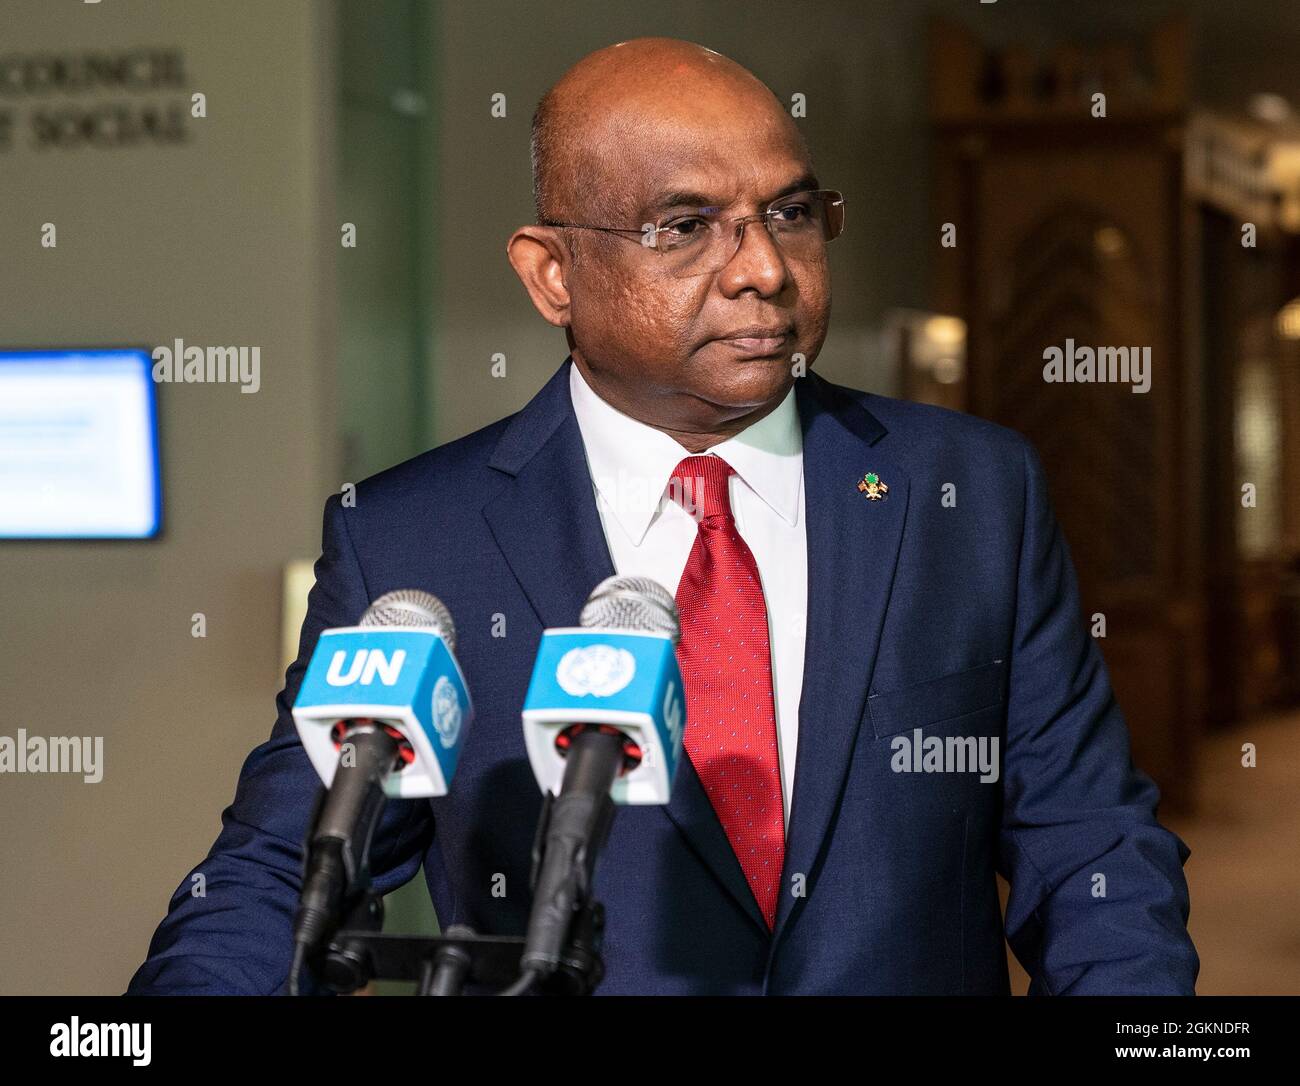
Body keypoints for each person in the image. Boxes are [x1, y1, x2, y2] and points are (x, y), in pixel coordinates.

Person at [128, 38, 1198, 995]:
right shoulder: (411, 541)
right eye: (684, 227)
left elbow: (1086, 835)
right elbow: (278, 872)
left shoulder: (969, 491)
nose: (765, 271)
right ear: (552, 274)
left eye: (789, 214)